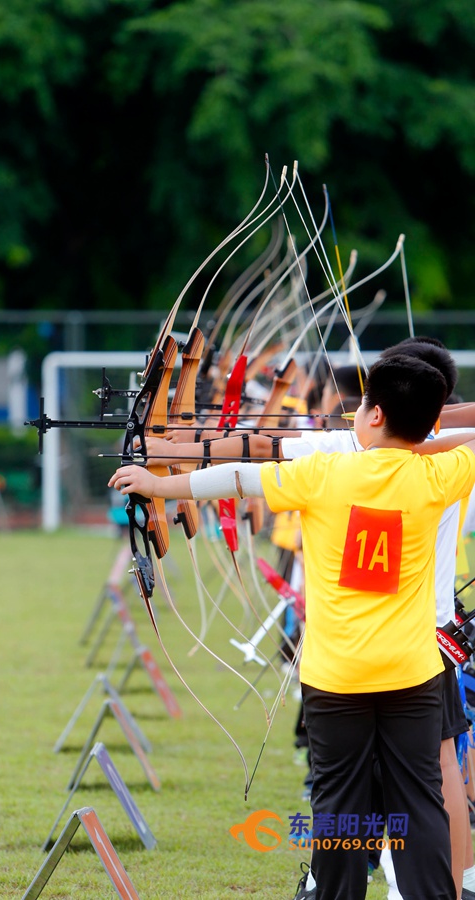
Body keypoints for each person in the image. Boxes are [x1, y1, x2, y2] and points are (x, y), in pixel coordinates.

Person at [110, 354, 475, 900]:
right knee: (419, 800)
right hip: (413, 675)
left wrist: (158, 484)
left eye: (362, 407)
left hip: (335, 678)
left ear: (374, 415)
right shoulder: (438, 474)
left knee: (338, 805)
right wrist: (417, 444)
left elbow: (239, 477)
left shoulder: (324, 473)